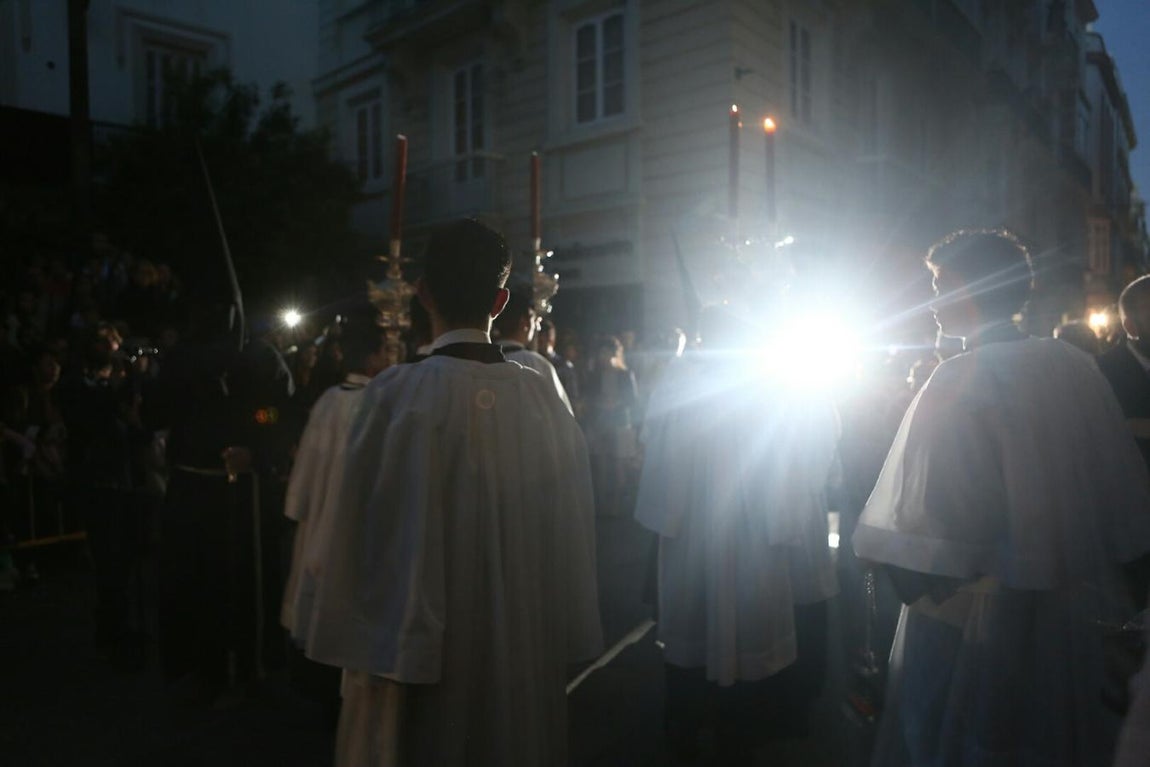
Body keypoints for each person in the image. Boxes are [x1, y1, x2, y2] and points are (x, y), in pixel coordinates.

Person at [304, 218, 602, 767]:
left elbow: (354, 531)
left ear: (422, 292)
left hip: (419, 653)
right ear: (500, 299)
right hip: (520, 647)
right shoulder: (544, 402)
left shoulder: (394, 395)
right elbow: (574, 533)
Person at [853, 229, 1150, 767]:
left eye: (940, 284)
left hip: (977, 612)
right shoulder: (1074, 366)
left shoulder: (960, 376)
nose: (934, 301)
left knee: (971, 733)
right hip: (1075, 603)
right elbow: (1118, 487)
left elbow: (934, 516)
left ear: (967, 288)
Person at [634, 305, 840, 764]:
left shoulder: (680, 377)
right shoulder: (776, 383)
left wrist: (668, 510)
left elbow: (654, 443)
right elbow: (810, 451)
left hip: (695, 530)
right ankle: (741, 730)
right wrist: (786, 511)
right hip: (756, 534)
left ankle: (685, 726)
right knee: (750, 634)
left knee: (694, 631)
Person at [491, 284, 573, 412]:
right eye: (535, 321)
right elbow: (563, 417)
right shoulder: (538, 365)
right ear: (524, 322)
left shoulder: (480, 361)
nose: (537, 328)